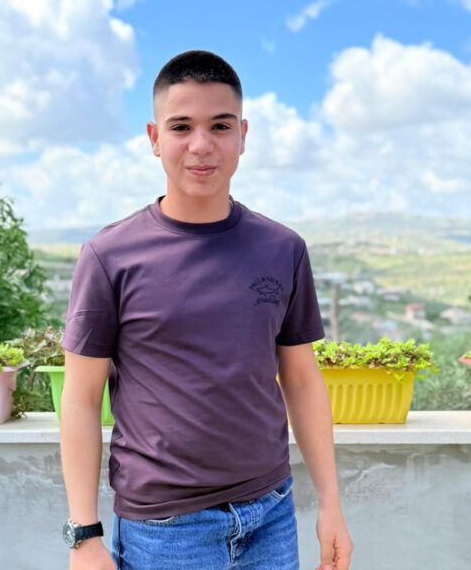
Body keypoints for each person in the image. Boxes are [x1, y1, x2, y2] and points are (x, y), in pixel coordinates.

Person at [59, 49, 353, 570]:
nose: (201, 145)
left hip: (272, 513)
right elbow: (81, 399)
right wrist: (84, 536)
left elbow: (302, 380)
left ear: (243, 134)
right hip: (165, 530)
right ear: (155, 138)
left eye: (219, 125)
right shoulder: (110, 257)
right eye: (181, 127)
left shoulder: (283, 249)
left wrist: (331, 504)